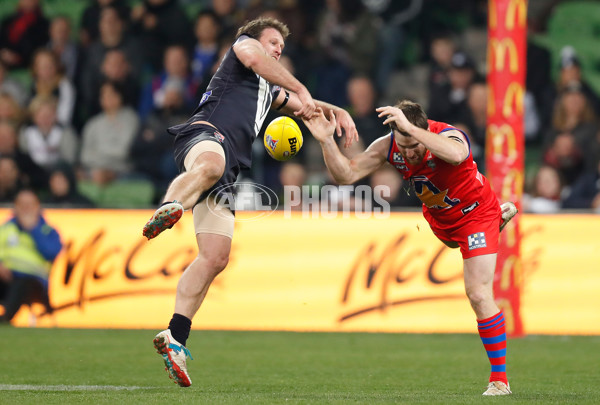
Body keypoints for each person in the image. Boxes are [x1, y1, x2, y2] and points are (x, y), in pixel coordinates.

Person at [143, 17, 358, 388]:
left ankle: (175, 337)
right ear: (257, 40)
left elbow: (304, 108)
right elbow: (256, 58)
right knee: (210, 165)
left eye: (282, 47)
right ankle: (171, 205)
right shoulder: (242, 49)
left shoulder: (268, 91)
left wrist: (336, 111)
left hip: (229, 171)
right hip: (205, 136)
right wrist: (302, 86)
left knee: (215, 257)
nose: (278, 49)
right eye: (274, 42)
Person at [301, 100, 517, 396]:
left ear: (423, 129)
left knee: (478, 293)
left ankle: (499, 380)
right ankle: (496, 226)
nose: (409, 153)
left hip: (475, 214)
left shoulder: (448, 135)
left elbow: (457, 154)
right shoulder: (389, 145)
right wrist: (326, 140)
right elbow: (346, 175)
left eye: (414, 145)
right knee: (453, 243)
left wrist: (413, 129)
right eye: (403, 147)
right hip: (439, 218)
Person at [0, 189, 62, 324]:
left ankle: (5, 319)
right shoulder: (5, 229)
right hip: (6, 277)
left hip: (34, 281)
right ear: (15, 207)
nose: (25, 208)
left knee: (22, 284)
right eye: (22, 204)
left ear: (38, 207)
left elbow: (51, 252)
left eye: (29, 204)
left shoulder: (47, 231)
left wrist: (34, 230)